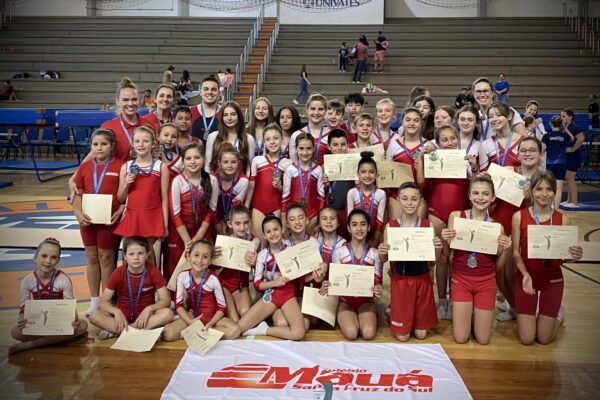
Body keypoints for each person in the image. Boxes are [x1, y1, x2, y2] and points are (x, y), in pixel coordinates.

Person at [512, 171, 583, 345]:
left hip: (552, 278)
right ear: (531, 191)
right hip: (527, 276)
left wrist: (575, 256)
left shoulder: (563, 219)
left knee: (544, 339)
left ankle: (558, 315)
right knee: (527, 339)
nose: (544, 194)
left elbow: (566, 257)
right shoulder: (519, 216)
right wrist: (524, 274)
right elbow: (515, 252)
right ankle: (539, 318)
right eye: (539, 189)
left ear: (554, 192)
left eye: (549, 189)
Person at [442, 175, 512, 344]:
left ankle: (474, 317)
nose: (480, 197)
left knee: (483, 339)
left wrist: (506, 250)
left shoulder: (497, 227)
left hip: (486, 283)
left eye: (486, 194)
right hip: (461, 281)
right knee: (460, 338)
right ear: (469, 195)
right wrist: (445, 240)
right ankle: (467, 316)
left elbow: (498, 268)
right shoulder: (456, 217)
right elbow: (447, 256)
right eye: (476, 193)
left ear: (493, 197)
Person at [416, 125, 477, 320]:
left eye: (453, 139)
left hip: (459, 214)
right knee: (441, 259)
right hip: (436, 213)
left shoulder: (465, 160)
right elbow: (421, 183)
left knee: (455, 259)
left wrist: (474, 167)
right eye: (445, 140)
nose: (450, 143)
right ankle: (442, 300)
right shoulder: (433, 160)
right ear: (438, 143)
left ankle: (454, 299)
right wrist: (421, 159)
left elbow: (476, 186)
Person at [378, 182, 442, 342]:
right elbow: (385, 259)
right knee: (403, 337)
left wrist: (438, 248)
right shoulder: (391, 227)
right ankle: (394, 312)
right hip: (400, 281)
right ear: (398, 200)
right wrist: (382, 252)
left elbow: (432, 263)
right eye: (405, 199)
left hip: (422, 280)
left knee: (421, 335)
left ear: (421, 202)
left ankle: (408, 316)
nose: (409, 203)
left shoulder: (428, 226)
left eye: (414, 199)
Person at [72, 129, 125, 316]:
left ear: (112, 147)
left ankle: (107, 300)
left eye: (104, 144)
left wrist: (122, 208)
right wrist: (78, 212)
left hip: (108, 220)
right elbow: (77, 193)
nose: (99, 148)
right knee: (92, 257)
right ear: (90, 147)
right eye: (95, 144)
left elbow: (126, 195)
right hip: (87, 220)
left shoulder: (121, 166)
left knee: (106, 257)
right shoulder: (85, 167)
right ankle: (94, 300)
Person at [9, 238, 88, 355]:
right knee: (14, 332)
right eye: (44, 256)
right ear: (35, 257)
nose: (48, 261)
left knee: (82, 325)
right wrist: (21, 319)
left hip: (58, 321)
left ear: (58, 260)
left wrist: (74, 319)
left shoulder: (63, 279)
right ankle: (55, 339)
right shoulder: (27, 280)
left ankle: (31, 344)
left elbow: (70, 307)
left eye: (53, 257)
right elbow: (24, 306)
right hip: (38, 321)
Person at [237, 215, 308, 340]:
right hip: (271, 294)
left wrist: (319, 270)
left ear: (282, 230)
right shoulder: (262, 255)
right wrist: (275, 283)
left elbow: (302, 278)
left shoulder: (292, 250)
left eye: (275, 229)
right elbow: (257, 284)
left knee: (298, 333)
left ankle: (264, 329)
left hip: (288, 295)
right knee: (239, 329)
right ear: (264, 236)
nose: (273, 234)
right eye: (268, 232)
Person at [89, 237, 173, 339]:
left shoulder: (153, 272)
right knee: (94, 315)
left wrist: (149, 309)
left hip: (145, 318)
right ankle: (138, 330)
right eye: (131, 254)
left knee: (168, 314)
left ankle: (120, 331)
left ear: (147, 255)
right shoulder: (118, 273)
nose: (136, 258)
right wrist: (116, 312)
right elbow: (104, 301)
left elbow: (165, 300)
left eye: (140, 253)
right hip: (122, 318)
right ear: (125, 256)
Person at [320, 209, 382, 340]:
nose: (359, 228)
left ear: (369, 227)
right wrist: (329, 285)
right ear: (348, 228)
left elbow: (377, 281)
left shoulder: (375, 254)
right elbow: (335, 281)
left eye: (363, 224)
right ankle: (345, 315)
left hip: (366, 302)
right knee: (351, 334)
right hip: (346, 302)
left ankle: (371, 314)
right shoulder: (339, 252)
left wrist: (378, 289)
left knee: (368, 333)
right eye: (354, 224)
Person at [162, 240, 241, 341]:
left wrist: (211, 324)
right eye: (196, 255)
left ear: (210, 260)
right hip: (193, 316)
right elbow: (178, 305)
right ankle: (200, 334)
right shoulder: (182, 276)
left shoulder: (214, 279)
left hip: (213, 319)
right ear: (188, 256)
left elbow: (222, 308)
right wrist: (190, 322)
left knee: (235, 331)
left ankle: (197, 334)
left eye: (205, 257)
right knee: (168, 335)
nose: (200, 260)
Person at [114, 126, 169, 266]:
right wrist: (126, 184)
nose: (141, 144)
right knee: (129, 256)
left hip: (152, 216)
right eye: (137, 141)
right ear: (132, 143)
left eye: (145, 141)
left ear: (153, 144)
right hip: (132, 216)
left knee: (149, 256)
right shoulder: (126, 166)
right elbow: (120, 198)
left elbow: (164, 198)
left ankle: (151, 286)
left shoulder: (160, 166)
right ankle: (129, 286)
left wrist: (166, 224)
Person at [167, 143, 217, 281]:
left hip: (202, 230)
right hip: (180, 233)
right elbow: (175, 214)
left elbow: (211, 210)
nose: (193, 162)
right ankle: (175, 300)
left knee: (200, 266)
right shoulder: (177, 181)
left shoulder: (211, 180)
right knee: (177, 269)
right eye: (188, 158)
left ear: (204, 159)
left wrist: (198, 238)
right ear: (183, 161)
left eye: (197, 157)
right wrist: (188, 242)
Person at [246, 123, 292, 240]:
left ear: (281, 139)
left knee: (276, 240)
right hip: (258, 207)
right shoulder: (257, 160)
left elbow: (288, 192)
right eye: (268, 139)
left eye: (275, 138)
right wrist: (246, 205)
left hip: (277, 207)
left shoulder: (287, 163)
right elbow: (252, 186)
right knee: (260, 241)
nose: (272, 142)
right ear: (264, 142)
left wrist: (280, 187)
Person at [214, 206, 260, 321]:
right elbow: (215, 267)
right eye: (237, 223)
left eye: (245, 223)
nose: (242, 227)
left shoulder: (255, 241)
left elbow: (261, 270)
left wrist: (255, 264)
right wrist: (213, 258)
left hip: (240, 286)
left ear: (250, 222)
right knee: (234, 319)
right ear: (230, 224)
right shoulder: (224, 242)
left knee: (245, 314)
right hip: (224, 284)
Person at [386, 107, 429, 221]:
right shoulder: (393, 145)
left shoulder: (428, 146)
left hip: (420, 197)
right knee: (395, 233)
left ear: (421, 123)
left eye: (416, 120)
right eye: (408, 120)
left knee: (416, 233)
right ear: (402, 122)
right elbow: (388, 175)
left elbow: (429, 180)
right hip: (397, 196)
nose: (412, 123)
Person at [281, 133, 325, 233]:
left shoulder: (318, 169)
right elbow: (285, 197)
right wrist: (284, 219)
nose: (305, 152)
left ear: (314, 148)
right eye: (301, 148)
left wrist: (319, 221)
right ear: (296, 148)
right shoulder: (290, 169)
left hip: (313, 216)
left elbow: (321, 197)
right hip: (294, 215)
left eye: (308, 148)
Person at [346, 151, 386, 246]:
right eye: (363, 172)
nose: (367, 176)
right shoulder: (352, 193)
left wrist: (375, 241)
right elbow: (349, 219)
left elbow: (380, 220)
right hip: (355, 234)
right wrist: (355, 240)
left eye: (371, 172)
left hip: (374, 237)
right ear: (358, 174)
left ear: (377, 174)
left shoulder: (381, 194)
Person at [205, 101, 255, 175]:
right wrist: (208, 183)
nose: (229, 118)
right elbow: (207, 165)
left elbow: (249, 168)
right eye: (225, 115)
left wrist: (247, 183)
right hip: (216, 182)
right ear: (222, 118)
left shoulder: (248, 139)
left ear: (239, 116)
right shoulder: (213, 137)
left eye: (233, 114)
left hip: (240, 183)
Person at [321, 129, 354, 236]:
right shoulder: (323, 167)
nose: (339, 148)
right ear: (328, 146)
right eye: (335, 145)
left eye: (343, 144)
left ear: (348, 145)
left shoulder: (354, 164)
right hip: (329, 213)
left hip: (347, 212)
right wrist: (325, 186)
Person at [472, 76, 526, 140]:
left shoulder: (507, 110)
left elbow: (524, 139)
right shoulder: (474, 116)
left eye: (486, 91)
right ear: (474, 94)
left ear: (492, 93)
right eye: (478, 91)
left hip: (504, 149)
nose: (482, 94)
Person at [213, 147, 249, 235]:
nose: (229, 165)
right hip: (213, 220)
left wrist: (230, 230)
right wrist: (220, 231)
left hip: (233, 221)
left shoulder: (243, 181)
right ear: (219, 163)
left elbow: (236, 209)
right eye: (225, 162)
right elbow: (212, 209)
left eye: (233, 162)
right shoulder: (213, 180)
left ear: (238, 163)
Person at [542, 116, 574, 209]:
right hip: (562, 164)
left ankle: (550, 206)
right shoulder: (564, 136)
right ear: (561, 125)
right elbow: (572, 138)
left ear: (550, 124)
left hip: (550, 164)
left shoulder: (546, 136)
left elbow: (543, 149)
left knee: (550, 187)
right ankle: (556, 209)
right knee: (559, 188)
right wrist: (565, 128)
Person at [289, 94, 328, 163]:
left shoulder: (331, 134)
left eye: (320, 109)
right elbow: (293, 164)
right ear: (307, 110)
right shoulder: (296, 135)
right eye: (313, 109)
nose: (316, 112)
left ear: (325, 111)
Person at [561, 109, 585, 208]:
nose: (562, 118)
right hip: (568, 157)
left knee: (570, 179)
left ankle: (574, 202)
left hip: (574, 157)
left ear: (570, 117)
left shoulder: (574, 127)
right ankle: (569, 200)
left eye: (563, 116)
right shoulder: (566, 128)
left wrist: (572, 149)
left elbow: (581, 138)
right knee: (567, 178)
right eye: (561, 116)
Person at [191, 76, 221, 143]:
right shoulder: (190, 111)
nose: (210, 92)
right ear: (200, 92)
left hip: (218, 153)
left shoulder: (225, 113)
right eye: (206, 89)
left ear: (219, 93)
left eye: (214, 89)